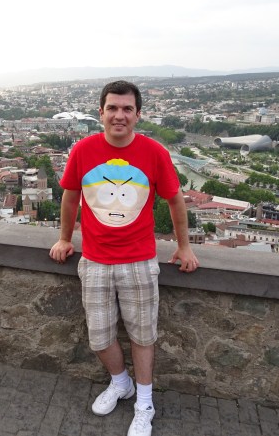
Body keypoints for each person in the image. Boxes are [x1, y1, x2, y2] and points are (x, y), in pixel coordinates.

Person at [49, 80, 199, 436]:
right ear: (100, 113)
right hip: (96, 259)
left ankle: (144, 403)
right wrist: (64, 238)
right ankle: (121, 383)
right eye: (113, 108)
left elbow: (175, 200)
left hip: (139, 260)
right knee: (100, 337)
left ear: (137, 114)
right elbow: (70, 197)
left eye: (127, 109)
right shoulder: (83, 150)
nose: (119, 115)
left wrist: (185, 246)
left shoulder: (154, 152)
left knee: (142, 337)